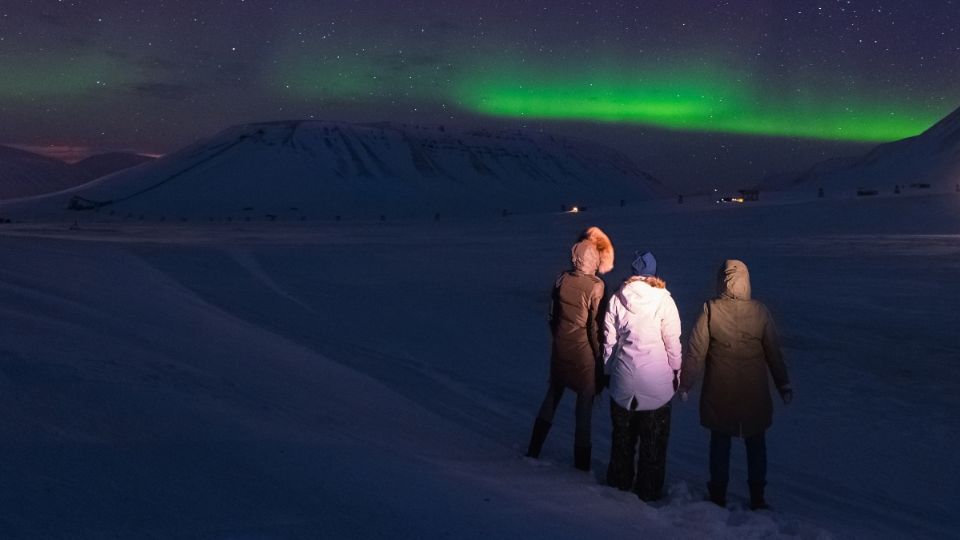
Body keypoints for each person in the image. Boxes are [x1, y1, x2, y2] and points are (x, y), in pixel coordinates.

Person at [678, 259, 792, 510]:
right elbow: (773, 352)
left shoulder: (711, 309)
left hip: (721, 392)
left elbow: (696, 350)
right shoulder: (760, 311)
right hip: (754, 393)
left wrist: (685, 383)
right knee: (756, 443)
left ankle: (718, 493)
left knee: (720, 443)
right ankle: (757, 496)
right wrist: (783, 384)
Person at [526, 226, 614, 471]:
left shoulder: (562, 279)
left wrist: (559, 338)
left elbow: (553, 316)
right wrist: (599, 360)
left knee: (552, 395)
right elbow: (595, 328)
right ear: (593, 259)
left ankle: (533, 449)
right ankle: (581, 466)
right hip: (583, 355)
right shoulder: (597, 286)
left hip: (560, 349)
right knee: (583, 407)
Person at [602, 251, 682, 501]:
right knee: (653, 445)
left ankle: (619, 485)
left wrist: (607, 369)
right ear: (653, 273)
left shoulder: (617, 299)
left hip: (623, 383)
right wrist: (677, 370)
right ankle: (649, 491)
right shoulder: (664, 301)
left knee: (622, 440)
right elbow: (673, 343)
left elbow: (608, 342)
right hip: (657, 388)